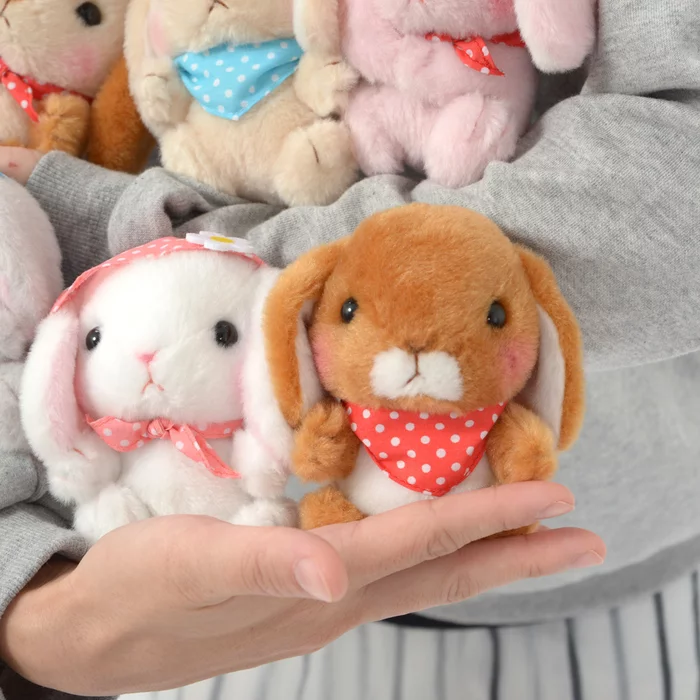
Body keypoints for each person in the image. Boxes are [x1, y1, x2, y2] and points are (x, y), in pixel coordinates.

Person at [1, 0, 699, 697]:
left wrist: (169, 269)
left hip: (620, 571)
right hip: (190, 603)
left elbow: (675, 191)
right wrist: (22, 594)